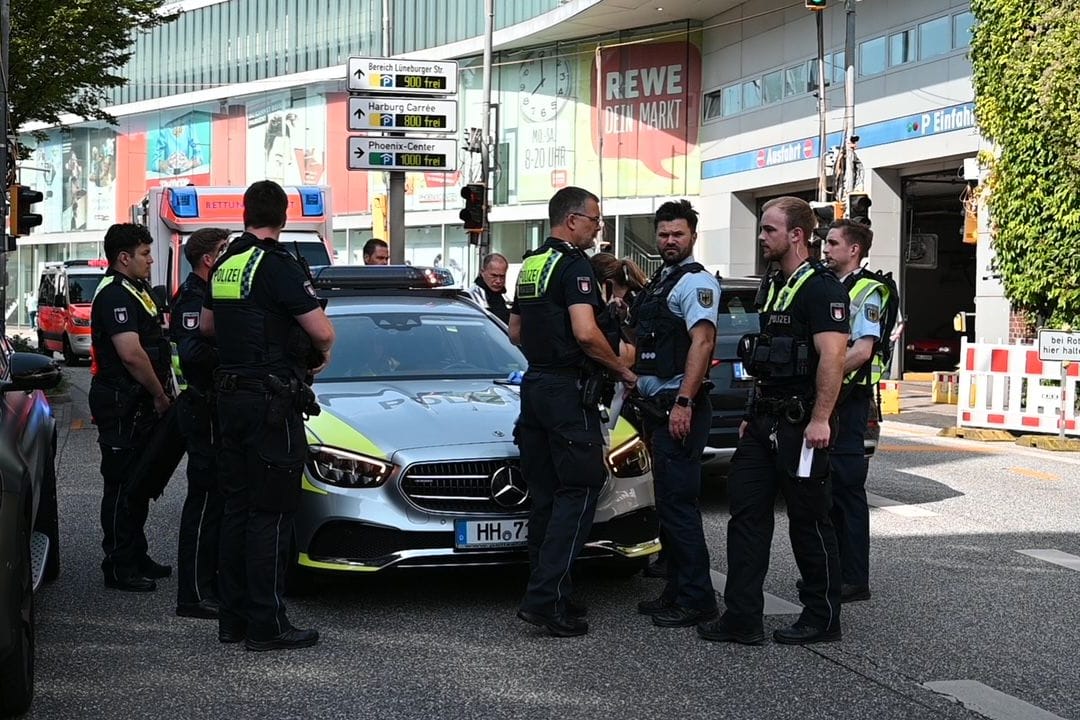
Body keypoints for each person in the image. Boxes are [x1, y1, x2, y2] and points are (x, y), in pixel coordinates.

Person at [698, 196, 849, 646]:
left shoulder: (821, 288)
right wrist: (749, 416)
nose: (762, 237)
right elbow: (762, 360)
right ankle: (743, 616)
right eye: (762, 229)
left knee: (808, 520)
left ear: (797, 235)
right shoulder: (773, 284)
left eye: (769, 230)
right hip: (763, 421)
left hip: (803, 426)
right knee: (745, 516)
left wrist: (821, 418)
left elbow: (833, 357)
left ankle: (822, 617)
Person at [201, 180, 335, 651]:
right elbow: (321, 332)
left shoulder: (226, 264)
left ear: (244, 213)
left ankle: (232, 619)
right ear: (282, 216)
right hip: (269, 402)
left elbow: (209, 325)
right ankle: (268, 624)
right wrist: (316, 355)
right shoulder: (277, 264)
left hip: (230, 397)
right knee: (272, 514)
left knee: (236, 508)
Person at [509, 186, 637, 638]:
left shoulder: (531, 265)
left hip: (536, 387)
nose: (598, 227)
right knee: (580, 492)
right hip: (567, 391)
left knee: (545, 495)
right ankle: (546, 600)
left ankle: (550, 591)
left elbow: (515, 330)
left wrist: (546, 354)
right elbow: (586, 333)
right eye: (594, 220)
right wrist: (621, 369)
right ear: (571, 220)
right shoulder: (574, 265)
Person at [628, 200, 721, 629]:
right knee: (666, 506)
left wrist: (684, 402)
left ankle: (698, 599)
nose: (669, 241)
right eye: (664, 234)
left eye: (677, 234)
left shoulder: (696, 283)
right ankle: (677, 589)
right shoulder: (660, 283)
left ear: (692, 237)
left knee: (680, 507)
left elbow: (701, 344)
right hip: (654, 407)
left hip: (677, 408)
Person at [88, 223, 174, 592]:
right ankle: (120, 565)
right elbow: (132, 355)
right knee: (122, 485)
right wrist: (158, 394)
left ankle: (136, 554)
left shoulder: (134, 291)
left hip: (134, 403)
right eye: (144, 254)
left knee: (138, 483)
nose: (150, 260)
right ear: (124, 258)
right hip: (122, 402)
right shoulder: (115, 295)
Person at [821, 219, 887, 603]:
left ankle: (854, 577)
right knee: (828, 487)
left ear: (854, 250)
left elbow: (862, 350)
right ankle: (833, 572)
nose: (825, 249)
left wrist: (823, 375)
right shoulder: (833, 287)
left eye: (832, 243)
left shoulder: (869, 292)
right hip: (834, 396)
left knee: (847, 487)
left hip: (852, 399)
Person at [170, 227, 229, 619]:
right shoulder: (193, 296)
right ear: (209, 259)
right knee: (204, 501)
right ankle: (192, 593)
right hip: (202, 407)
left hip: (215, 409)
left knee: (217, 502)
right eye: (224, 251)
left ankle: (210, 582)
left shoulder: (209, 294)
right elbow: (193, 352)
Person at [468, 253, 510, 323]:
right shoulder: (470, 296)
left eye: (502, 276)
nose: (498, 281)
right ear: (482, 272)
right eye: (494, 275)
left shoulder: (505, 298)